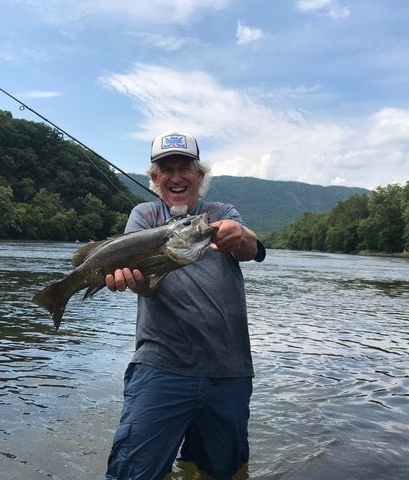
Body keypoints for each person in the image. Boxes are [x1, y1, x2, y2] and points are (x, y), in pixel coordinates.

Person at [103, 131, 266, 480]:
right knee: (133, 473)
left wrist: (240, 233)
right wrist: (133, 280)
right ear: (154, 178)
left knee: (223, 472)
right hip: (160, 367)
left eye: (184, 168)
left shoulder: (220, 213)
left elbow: (249, 248)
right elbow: (146, 288)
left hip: (228, 371)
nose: (176, 177)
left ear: (200, 176)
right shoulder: (144, 217)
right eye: (166, 169)